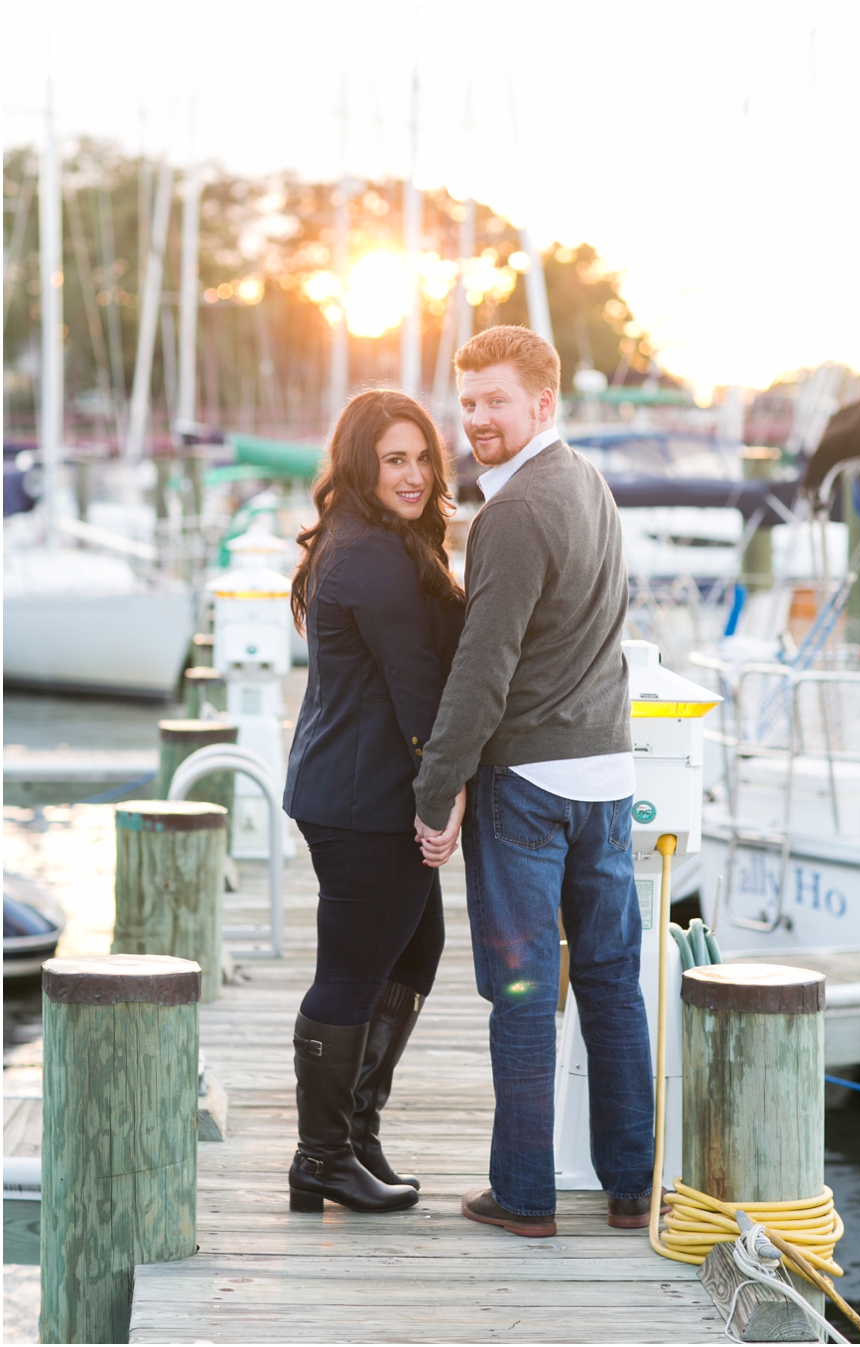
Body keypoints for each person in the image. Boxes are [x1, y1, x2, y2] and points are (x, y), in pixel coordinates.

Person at [414, 326, 655, 1238]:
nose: (475, 418)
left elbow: (483, 670)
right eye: (467, 401)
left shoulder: (512, 512)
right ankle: (632, 1186)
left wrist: (436, 792)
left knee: (521, 991)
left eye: (495, 401)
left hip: (531, 784)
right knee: (609, 982)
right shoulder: (588, 481)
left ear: (542, 403)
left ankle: (524, 1193)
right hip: (605, 774)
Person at [283, 389, 466, 1214]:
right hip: (362, 801)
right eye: (395, 458)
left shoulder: (380, 543)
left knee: (414, 952)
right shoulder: (370, 556)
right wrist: (444, 798)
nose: (416, 474)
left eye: (424, 457)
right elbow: (417, 690)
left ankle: (355, 1133)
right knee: (351, 973)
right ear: (362, 464)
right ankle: (321, 1156)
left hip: (363, 790)